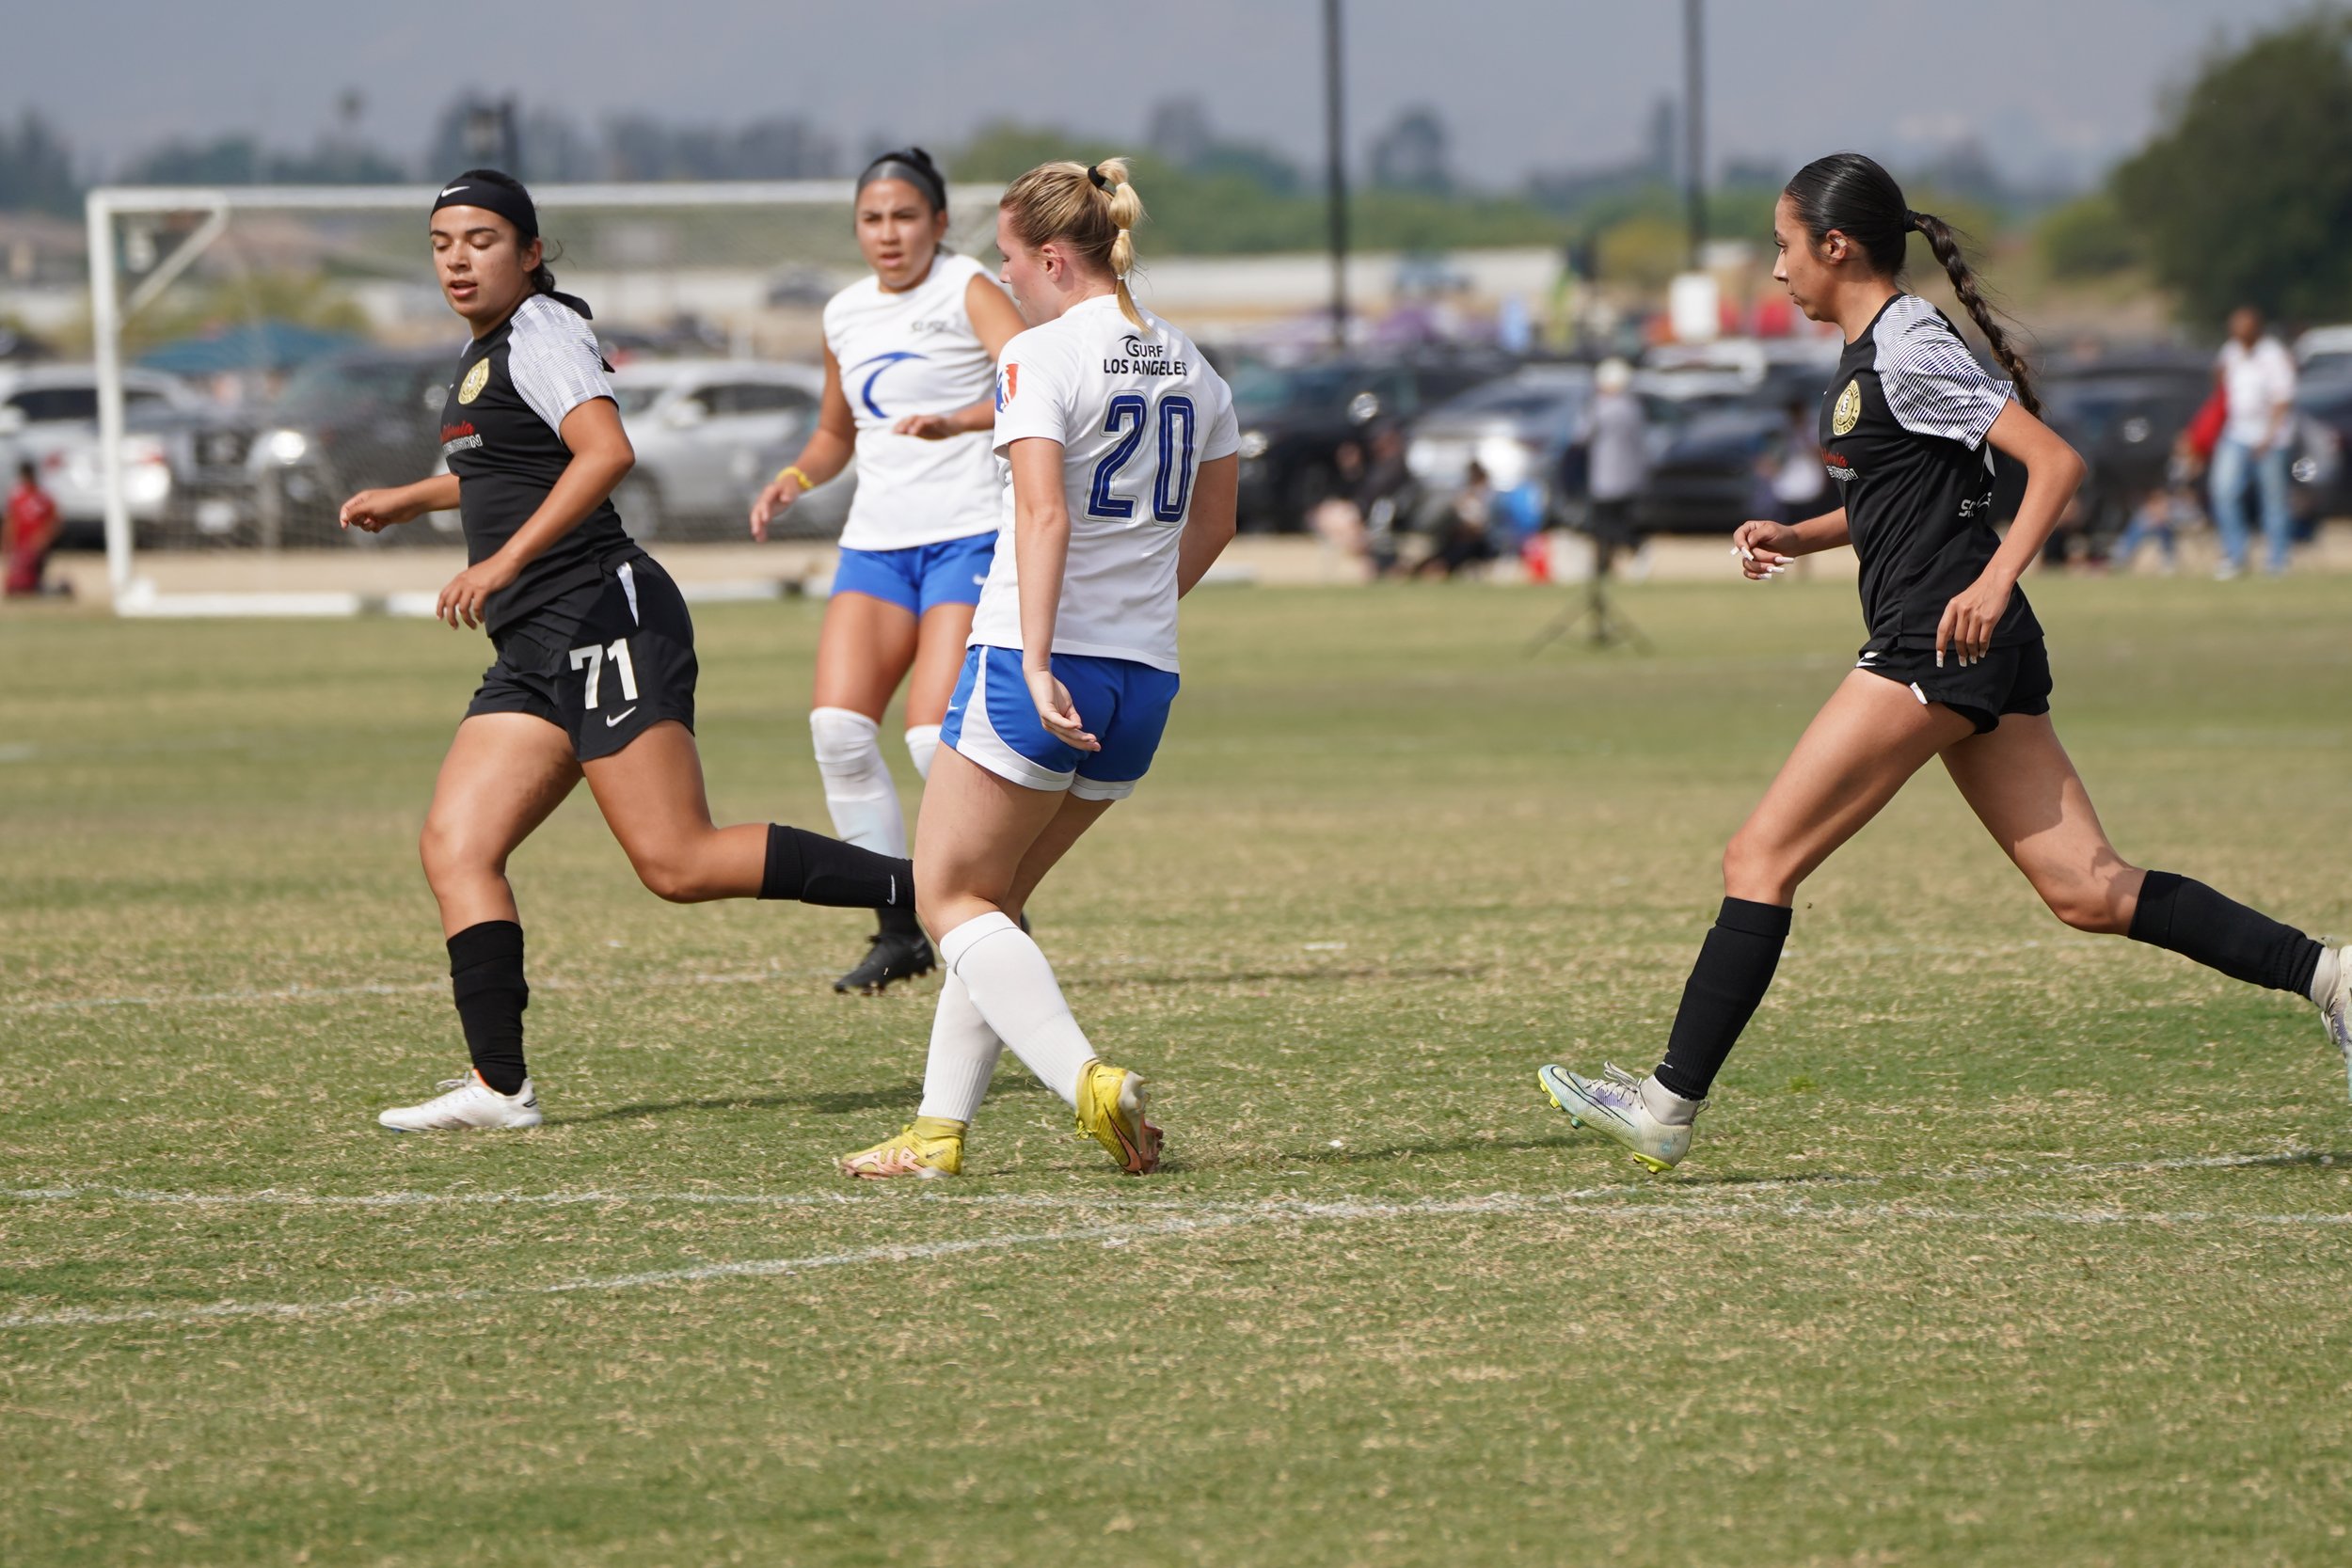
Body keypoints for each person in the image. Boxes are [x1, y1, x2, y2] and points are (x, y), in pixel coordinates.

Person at [1534, 153, 2350, 1171]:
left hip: (1936, 640)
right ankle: (2332, 977)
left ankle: (1666, 1101)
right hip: (1971, 644)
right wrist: (1803, 534)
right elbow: (1902, 493)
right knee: (2088, 889)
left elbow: (2053, 464)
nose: (1777, 270)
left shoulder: (1907, 344)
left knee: (1759, 857)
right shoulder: (1879, 345)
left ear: (1836, 246)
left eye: (1784, 246)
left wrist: (1995, 577)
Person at [339, 169, 919, 1132]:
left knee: (678, 861)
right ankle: (498, 1086)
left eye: (481, 239)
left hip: (605, 615)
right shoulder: (487, 347)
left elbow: (606, 452)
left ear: (529, 252)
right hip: (535, 640)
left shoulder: (541, 329)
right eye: (443, 242)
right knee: (457, 843)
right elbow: (506, 467)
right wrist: (414, 496)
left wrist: (502, 561)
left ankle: (926, 888)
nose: (457, 257)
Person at [836, 156, 1240, 1179]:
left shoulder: (1040, 356)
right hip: (1143, 677)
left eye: (1012, 261)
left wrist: (1045, 649)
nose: (1004, 279)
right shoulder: (1192, 361)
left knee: (948, 902)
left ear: (1054, 256)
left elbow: (1043, 511)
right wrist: (1138, 613)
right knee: (993, 901)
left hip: (1035, 661)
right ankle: (937, 1132)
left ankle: (1085, 1081)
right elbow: (1220, 519)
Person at [748, 149, 1026, 994]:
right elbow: (838, 431)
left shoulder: (967, 285)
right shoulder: (845, 313)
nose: (889, 233)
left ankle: (992, 903)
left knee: (928, 735)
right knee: (838, 729)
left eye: (906, 216)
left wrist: (959, 422)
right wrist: (794, 477)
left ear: (940, 223)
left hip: (969, 536)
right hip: (877, 545)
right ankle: (901, 926)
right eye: (872, 219)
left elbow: (1032, 378)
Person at [2208, 306, 2297, 578]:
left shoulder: (2273, 355)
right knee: (2223, 491)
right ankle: (2235, 555)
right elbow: (2220, 380)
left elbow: (2283, 400)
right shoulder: (2231, 350)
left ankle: (2277, 560)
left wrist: (2269, 436)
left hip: (2270, 437)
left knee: (2273, 500)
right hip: (2236, 432)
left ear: (2256, 327)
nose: (2238, 332)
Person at [1584, 356, 1648, 557]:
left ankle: (1611, 558)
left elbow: (1581, 435)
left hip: (1604, 478)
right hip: (1629, 476)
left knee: (1603, 525)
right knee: (1622, 521)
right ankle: (1628, 552)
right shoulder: (1632, 407)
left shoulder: (1599, 407)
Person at [4, 461, 65, 598]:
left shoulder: (43, 497)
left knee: (32, 573)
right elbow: (11, 521)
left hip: (37, 546)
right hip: (21, 546)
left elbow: (54, 521)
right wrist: (8, 543)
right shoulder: (17, 497)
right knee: (18, 575)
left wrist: (42, 539)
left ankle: (41, 589)